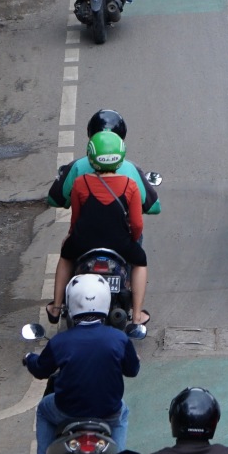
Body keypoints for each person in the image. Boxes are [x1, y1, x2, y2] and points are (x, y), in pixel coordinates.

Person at [23, 274, 140, 454]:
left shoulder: (61, 341)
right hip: (108, 411)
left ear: (71, 304)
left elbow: (41, 370)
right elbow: (132, 370)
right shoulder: (119, 339)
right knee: (123, 413)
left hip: (66, 411)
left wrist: (29, 358)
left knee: (43, 409)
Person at [46, 130, 150, 338]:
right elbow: (137, 224)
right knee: (140, 261)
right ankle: (137, 315)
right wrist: (131, 240)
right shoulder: (130, 185)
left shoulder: (80, 183)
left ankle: (56, 307)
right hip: (119, 244)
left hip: (84, 242)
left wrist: (72, 237)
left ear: (91, 157)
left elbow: (75, 219)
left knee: (66, 257)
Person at [48, 109, 161, 217]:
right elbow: (153, 208)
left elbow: (55, 200)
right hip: (123, 235)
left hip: (86, 233)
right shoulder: (131, 169)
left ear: (90, 135)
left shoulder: (77, 167)